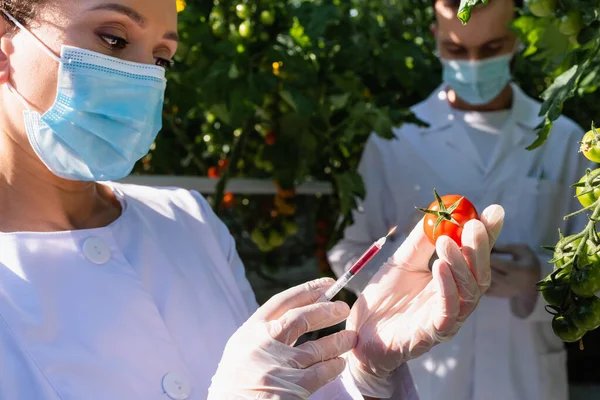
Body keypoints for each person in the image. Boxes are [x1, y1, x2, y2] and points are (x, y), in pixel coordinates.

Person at [0, 0, 505, 399]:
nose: (143, 79)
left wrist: (364, 375)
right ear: (5, 40)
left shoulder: (186, 221)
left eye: (160, 59)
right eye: (113, 39)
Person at [328, 0, 589, 399]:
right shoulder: (395, 140)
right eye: (456, 50)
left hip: (524, 374)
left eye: (489, 49)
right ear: (436, 40)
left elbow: (593, 264)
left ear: (516, 38)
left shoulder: (563, 138)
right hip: (426, 376)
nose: (472, 63)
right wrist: (413, 280)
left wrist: (537, 279)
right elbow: (351, 250)